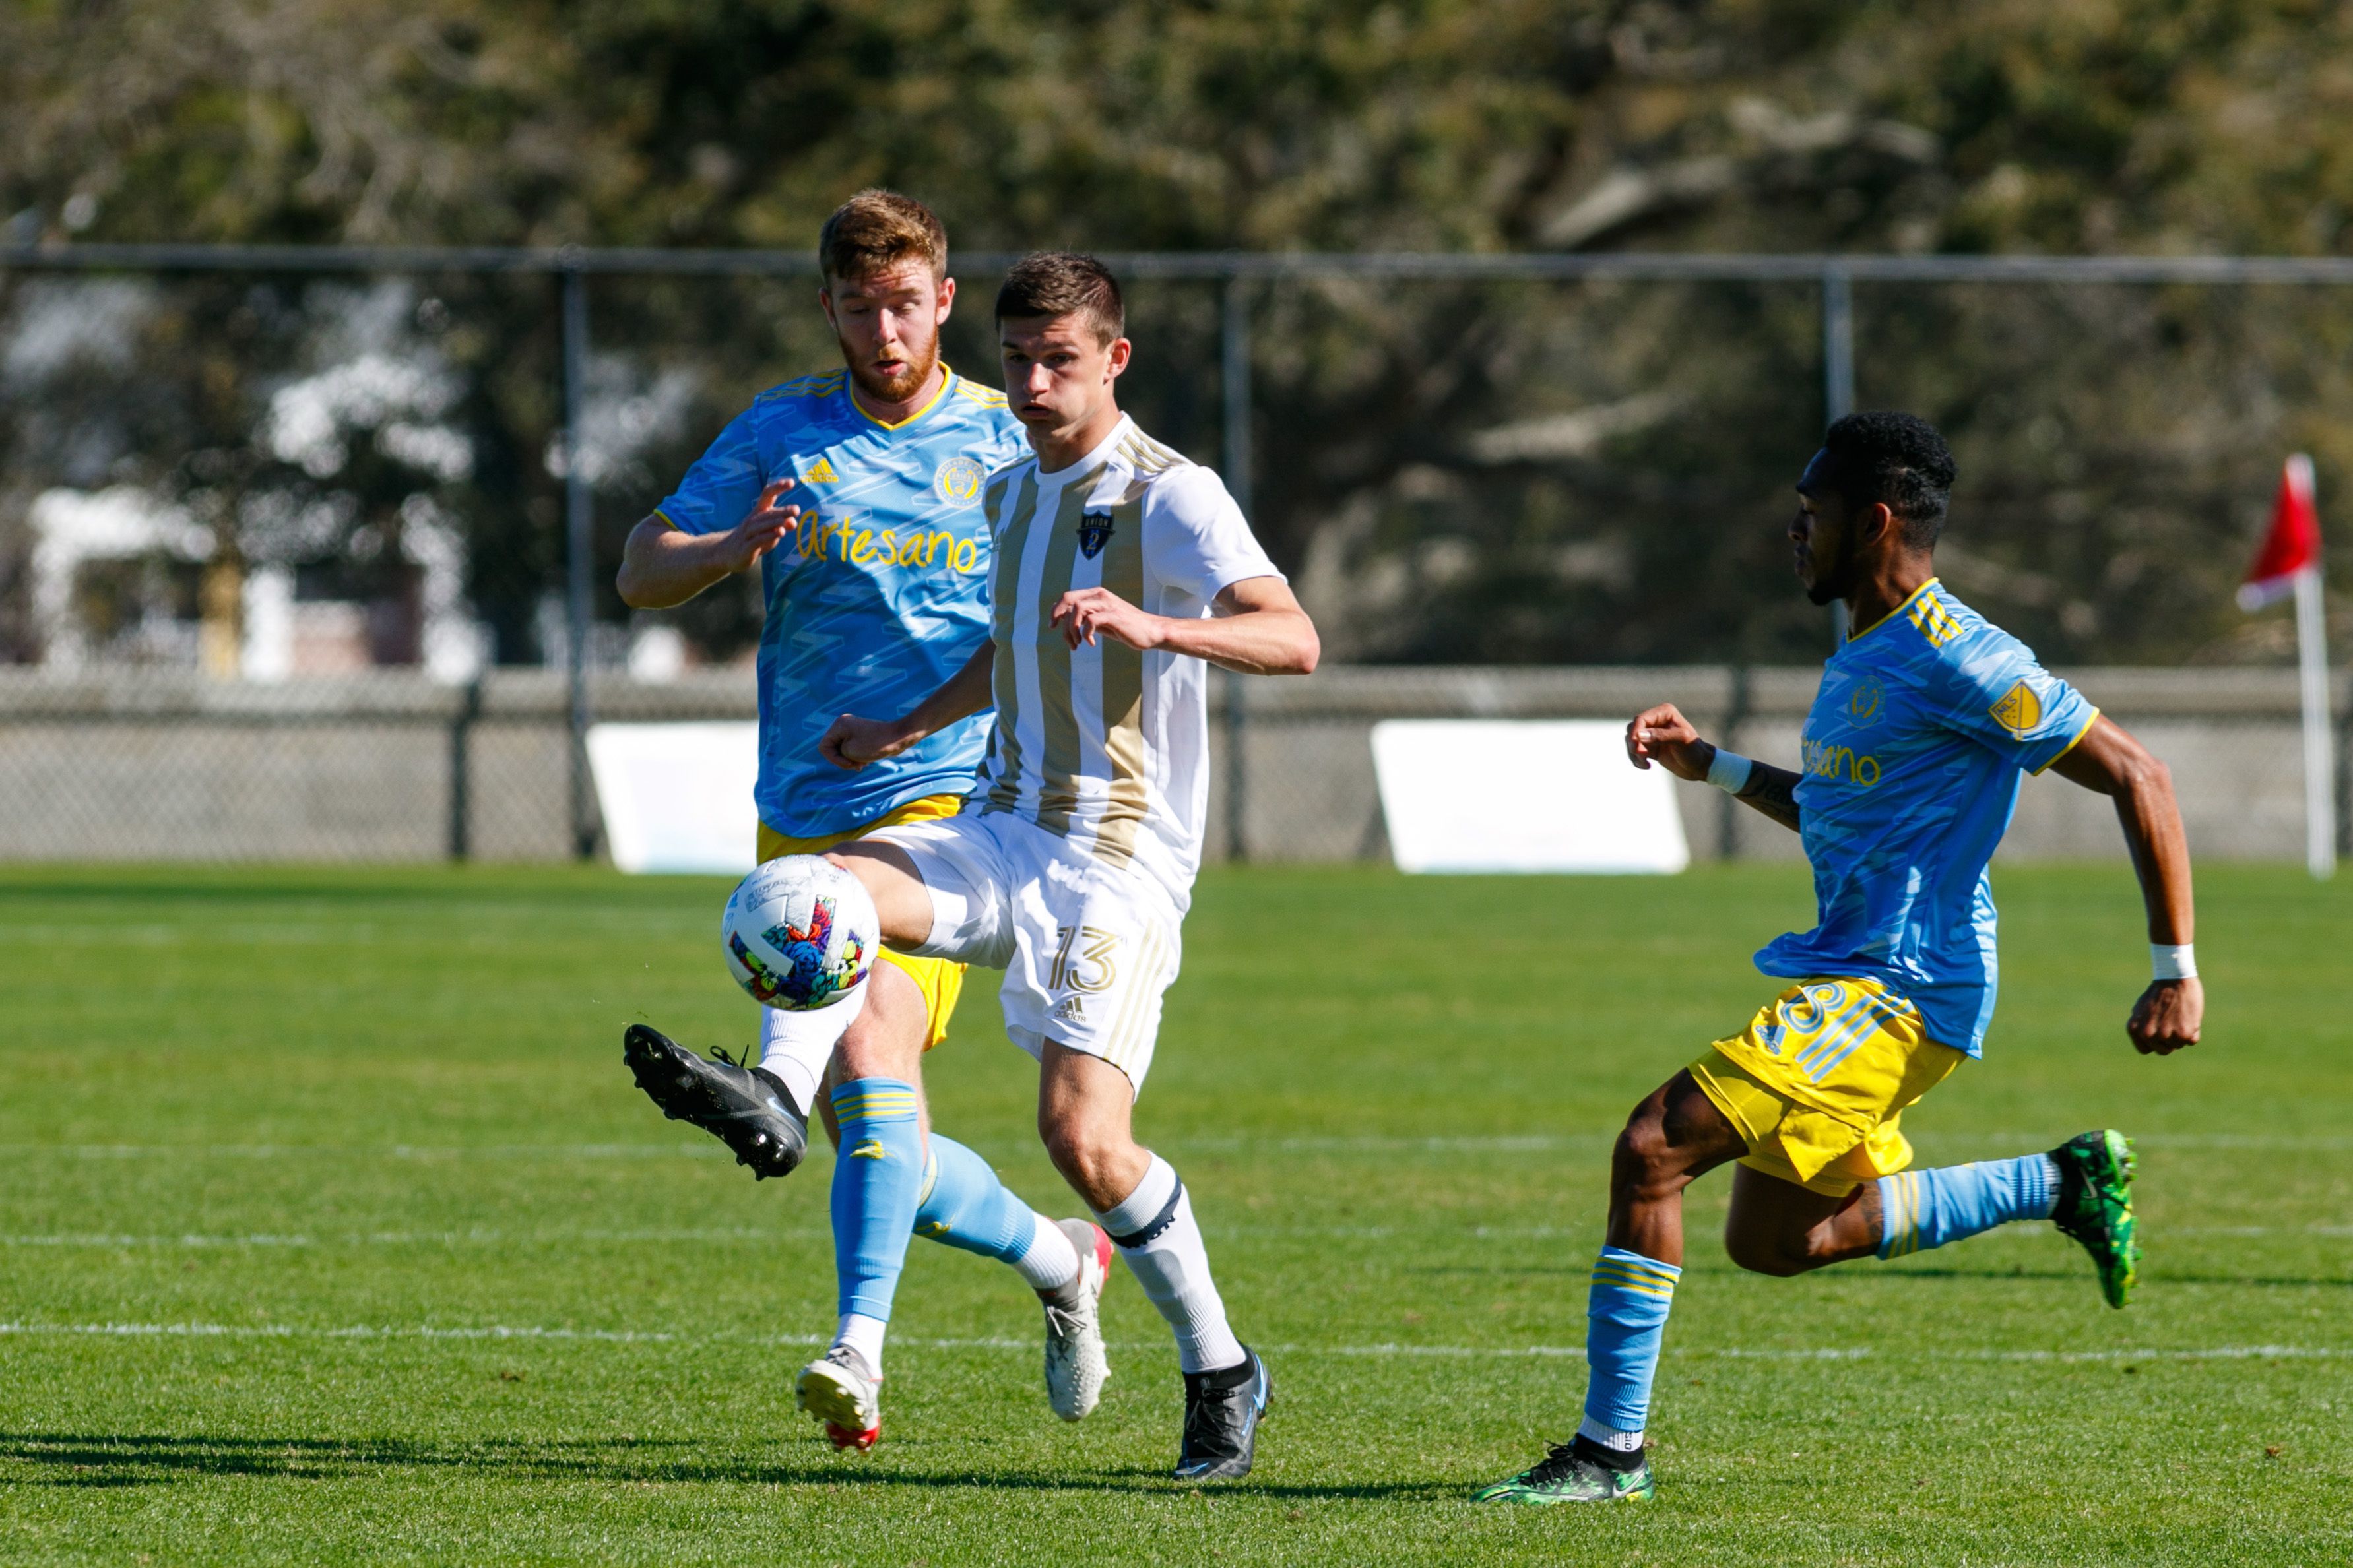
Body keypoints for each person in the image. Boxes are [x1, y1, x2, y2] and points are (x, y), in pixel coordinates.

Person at [1475, 412, 2203, 1506]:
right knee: (1775, 1239)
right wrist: (1710, 766)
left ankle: (1606, 1454)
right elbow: (1838, 808)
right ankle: (2058, 1181)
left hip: (1900, 987)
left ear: (1870, 522)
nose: (1792, 532)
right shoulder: (1864, 651)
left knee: (1651, 1147)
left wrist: (2174, 964)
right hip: (1862, 978)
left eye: (1809, 515)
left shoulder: (1964, 656)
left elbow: (2137, 773)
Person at [796, 251, 1320, 1480]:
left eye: (1060, 361)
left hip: (1116, 857)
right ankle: (775, 1091)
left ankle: (1219, 1365)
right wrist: (901, 731)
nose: (1032, 383)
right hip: (1001, 824)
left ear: (1114, 360)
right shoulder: (1010, 492)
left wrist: (1158, 624)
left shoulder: (1173, 496)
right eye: (1019, 358)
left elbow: (1294, 638)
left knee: (1084, 1141)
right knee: (819, 893)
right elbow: (1014, 650)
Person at [612, 191, 1116, 1452]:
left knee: (873, 1037)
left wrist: (937, 726)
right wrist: (733, 542)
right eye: (859, 306)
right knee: (881, 1141)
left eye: (906, 304)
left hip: (955, 806)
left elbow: (1064, 607)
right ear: (828, 306)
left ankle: (858, 1351)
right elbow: (640, 568)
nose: (884, 330)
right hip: (800, 812)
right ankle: (1062, 1261)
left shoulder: (1013, 436)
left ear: (943, 299)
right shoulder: (782, 433)